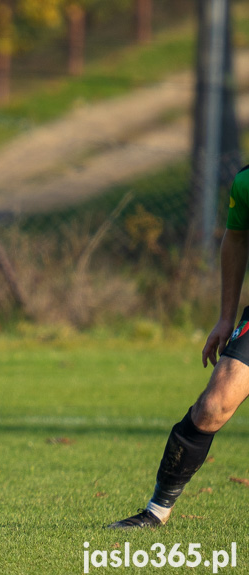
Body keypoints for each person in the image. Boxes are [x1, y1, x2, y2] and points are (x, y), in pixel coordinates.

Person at [107, 165, 249, 529]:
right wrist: (224, 317)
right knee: (213, 405)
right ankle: (156, 513)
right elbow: (235, 239)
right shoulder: (246, 181)